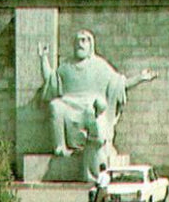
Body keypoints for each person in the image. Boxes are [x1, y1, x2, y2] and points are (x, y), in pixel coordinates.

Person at [37, 30, 156, 183]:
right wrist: (43, 58)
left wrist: (140, 78)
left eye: (84, 40)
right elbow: (50, 80)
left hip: (90, 108)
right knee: (55, 106)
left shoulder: (100, 66)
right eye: (78, 41)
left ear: (90, 45)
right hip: (69, 105)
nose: (80, 44)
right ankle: (60, 147)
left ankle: (92, 159)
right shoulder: (66, 67)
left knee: (92, 113)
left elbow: (119, 84)